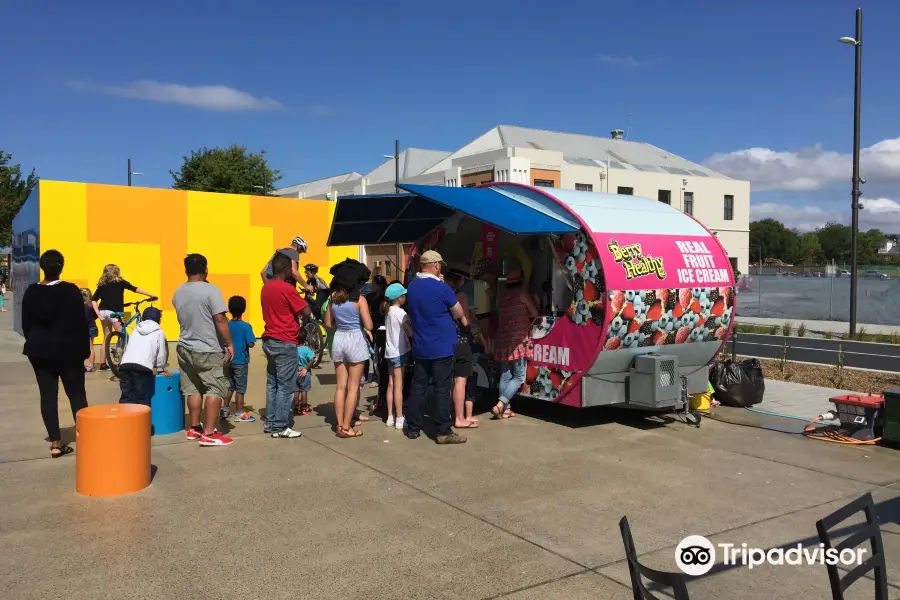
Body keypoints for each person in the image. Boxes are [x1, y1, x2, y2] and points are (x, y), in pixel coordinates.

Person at [22, 250, 89, 458]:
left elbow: (26, 324)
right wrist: (86, 351)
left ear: (42, 267)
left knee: (48, 395)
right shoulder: (71, 291)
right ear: (61, 267)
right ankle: (87, 439)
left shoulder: (32, 292)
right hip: (69, 351)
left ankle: (56, 443)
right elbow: (81, 322)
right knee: (76, 394)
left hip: (40, 351)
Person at [404, 250, 469, 444]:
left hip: (421, 345)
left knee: (418, 387)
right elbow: (458, 312)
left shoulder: (412, 287)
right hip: (441, 345)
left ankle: (413, 428)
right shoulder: (443, 289)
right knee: (442, 389)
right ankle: (443, 431)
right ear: (436, 266)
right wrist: (442, 285)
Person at [172, 254, 235, 447]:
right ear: (205, 269)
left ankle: (195, 427)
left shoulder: (178, 291)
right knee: (215, 387)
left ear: (186, 270)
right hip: (208, 348)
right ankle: (209, 433)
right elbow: (220, 319)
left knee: (193, 388)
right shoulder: (211, 291)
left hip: (184, 346)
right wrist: (230, 343)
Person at [260, 252, 310, 438]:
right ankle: (280, 426)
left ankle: (271, 421)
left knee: (272, 383)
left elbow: (263, 272)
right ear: (288, 269)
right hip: (285, 341)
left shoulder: (266, 287)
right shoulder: (287, 289)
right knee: (285, 386)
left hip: (269, 339)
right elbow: (305, 311)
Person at [324, 279, 373, 438]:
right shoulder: (359, 299)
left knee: (340, 386)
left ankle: (339, 425)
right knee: (353, 386)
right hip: (355, 339)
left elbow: (328, 323)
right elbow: (369, 325)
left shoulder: (333, 297)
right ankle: (346, 427)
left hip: (339, 339)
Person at [491, 260, 538, 419]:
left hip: (503, 338)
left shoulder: (503, 297)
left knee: (505, 375)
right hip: (517, 340)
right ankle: (500, 404)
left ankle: (506, 410)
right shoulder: (523, 294)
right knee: (519, 377)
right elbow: (534, 313)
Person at [93, 264, 156, 370]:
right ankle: (121, 361)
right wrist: (151, 295)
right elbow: (135, 289)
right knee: (123, 335)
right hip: (116, 312)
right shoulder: (120, 282)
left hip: (103, 311)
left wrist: (98, 313)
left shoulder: (102, 285)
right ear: (117, 272)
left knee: (106, 337)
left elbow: (94, 299)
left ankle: (103, 364)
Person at [445, 270, 479, 429]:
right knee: (460, 380)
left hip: (445, 341)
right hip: (461, 341)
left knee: (448, 381)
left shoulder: (441, 294)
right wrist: (473, 314)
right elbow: (465, 321)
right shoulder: (460, 296)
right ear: (459, 280)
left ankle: (450, 413)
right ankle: (460, 418)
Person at [118, 307, 169, 406]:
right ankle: (141, 421)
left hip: (125, 365)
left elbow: (127, 347)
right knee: (142, 397)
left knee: (126, 396)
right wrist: (160, 369)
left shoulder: (135, 330)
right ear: (158, 319)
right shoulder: (159, 332)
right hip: (142, 367)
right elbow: (161, 353)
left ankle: (124, 419)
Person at [382, 282, 411, 430]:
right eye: (403, 295)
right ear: (399, 298)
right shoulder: (401, 313)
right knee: (399, 386)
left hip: (389, 352)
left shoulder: (388, 311)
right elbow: (409, 331)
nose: (405, 297)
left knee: (391, 384)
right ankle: (400, 417)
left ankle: (390, 416)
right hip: (400, 352)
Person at [226, 295, 257, 423]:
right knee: (240, 388)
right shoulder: (245, 326)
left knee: (229, 386)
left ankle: (224, 409)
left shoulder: (226, 324)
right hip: (240, 361)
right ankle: (239, 412)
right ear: (243, 310)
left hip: (228, 360)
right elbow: (251, 343)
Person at [292, 329, 316, 416]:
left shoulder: (293, 349)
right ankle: (304, 407)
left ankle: (295, 407)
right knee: (304, 391)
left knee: (295, 391)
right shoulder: (306, 349)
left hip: (295, 373)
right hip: (305, 374)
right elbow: (312, 359)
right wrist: (306, 369)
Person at [81, 288, 101, 372]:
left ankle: (84, 366)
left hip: (82, 328)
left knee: (82, 347)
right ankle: (91, 365)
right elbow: (95, 316)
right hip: (92, 327)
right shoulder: (91, 305)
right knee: (91, 347)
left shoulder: (79, 306)